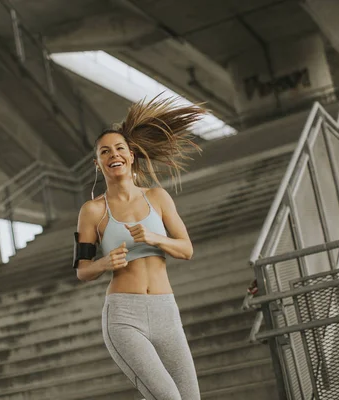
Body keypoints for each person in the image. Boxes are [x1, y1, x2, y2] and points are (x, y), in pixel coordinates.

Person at [72, 95, 206, 400]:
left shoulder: (158, 197)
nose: (113, 155)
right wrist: (105, 263)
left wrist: (154, 238)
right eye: (105, 151)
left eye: (119, 148)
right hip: (124, 316)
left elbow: (186, 249)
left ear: (131, 155)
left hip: (166, 312)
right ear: (97, 163)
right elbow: (82, 270)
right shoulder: (92, 211)